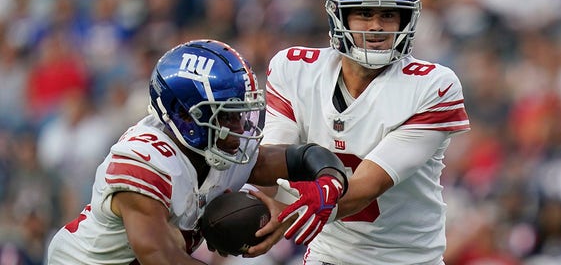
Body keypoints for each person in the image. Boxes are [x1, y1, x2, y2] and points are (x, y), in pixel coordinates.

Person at [46, 39, 348, 265]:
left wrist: (329, 183)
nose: (239, 127)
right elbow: (159, 256)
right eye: (225, 115)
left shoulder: (215, 144)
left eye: (239, 113)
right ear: (185, 116)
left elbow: (301, 157)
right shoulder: (145, 159)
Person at [264, 0, 470, 265]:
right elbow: (273, 162)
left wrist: (286, 213)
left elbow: (367, 185)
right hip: (329, 256)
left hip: (409, 260)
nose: (376, 27)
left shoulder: (432, 86)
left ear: (405, 20)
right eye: (363, 13)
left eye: (388, 15)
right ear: (339, 16)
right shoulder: (295, 69)